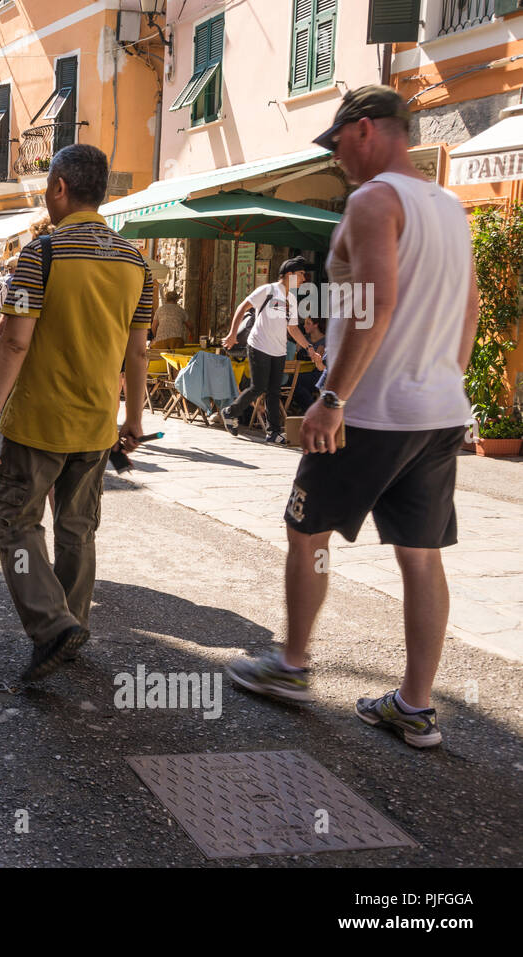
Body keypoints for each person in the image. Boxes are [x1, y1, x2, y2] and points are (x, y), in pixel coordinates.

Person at [226, 87, 478, 750]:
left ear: (365, 130)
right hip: (436, 409)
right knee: (421, 557)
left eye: (337, 144)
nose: (337, 159)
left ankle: (291, 664)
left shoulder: (374, 200)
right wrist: (444, 379)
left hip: (370, 409)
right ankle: (415, 707)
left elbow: (374, 304)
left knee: (305, 531)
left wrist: (332, 398)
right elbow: (470, 309)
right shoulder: (450, 207)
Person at [0, 143, 153, 681]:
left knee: (16, 522)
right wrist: (135, 419)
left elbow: (14, 344)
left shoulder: (42, 254)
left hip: (39, 422)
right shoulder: (135, 261)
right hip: (98, 422)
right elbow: (138, 350)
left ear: (59, 188)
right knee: (77, 528)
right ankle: (70, 626)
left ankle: (52, 627)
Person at [220, 256, 324, 444]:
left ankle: (273, 432)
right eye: (301, 274)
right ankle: (230, 412)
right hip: (258, 345)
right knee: (259, 387)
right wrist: (232, 334)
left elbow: (293, 329)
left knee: (275, 391)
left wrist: (309, 348)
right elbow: (243, 307)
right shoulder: (268, 290)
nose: (304, 279)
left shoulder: (292, 299)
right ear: (289, 274)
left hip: (279, 350)